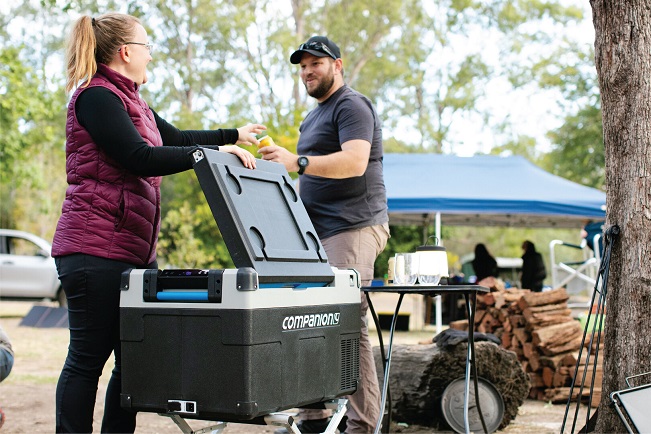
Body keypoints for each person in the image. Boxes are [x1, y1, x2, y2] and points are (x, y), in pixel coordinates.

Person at [51, 13, 265, 433]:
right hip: (94, 250)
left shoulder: (134, 102)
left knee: (133, 363)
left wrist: (230, 135)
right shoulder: (96, 97)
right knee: (87, 360)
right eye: (148, 46)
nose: (152, 55)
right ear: (126, 52)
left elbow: (177, 138)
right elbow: (138, 157)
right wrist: (209, 157)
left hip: (129, 252)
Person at [260, 36, 390, 433]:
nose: (308, 71)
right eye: (302, 66)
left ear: (338, 64)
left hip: (352, 227)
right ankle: (314, 418)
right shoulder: (312, 117)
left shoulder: (352, 105)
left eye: (316, 62)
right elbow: (310, 175)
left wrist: (296, 160)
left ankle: (363, 426)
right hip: (314, 235)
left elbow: (354, 162)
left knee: (347, 323)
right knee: (307, 319)